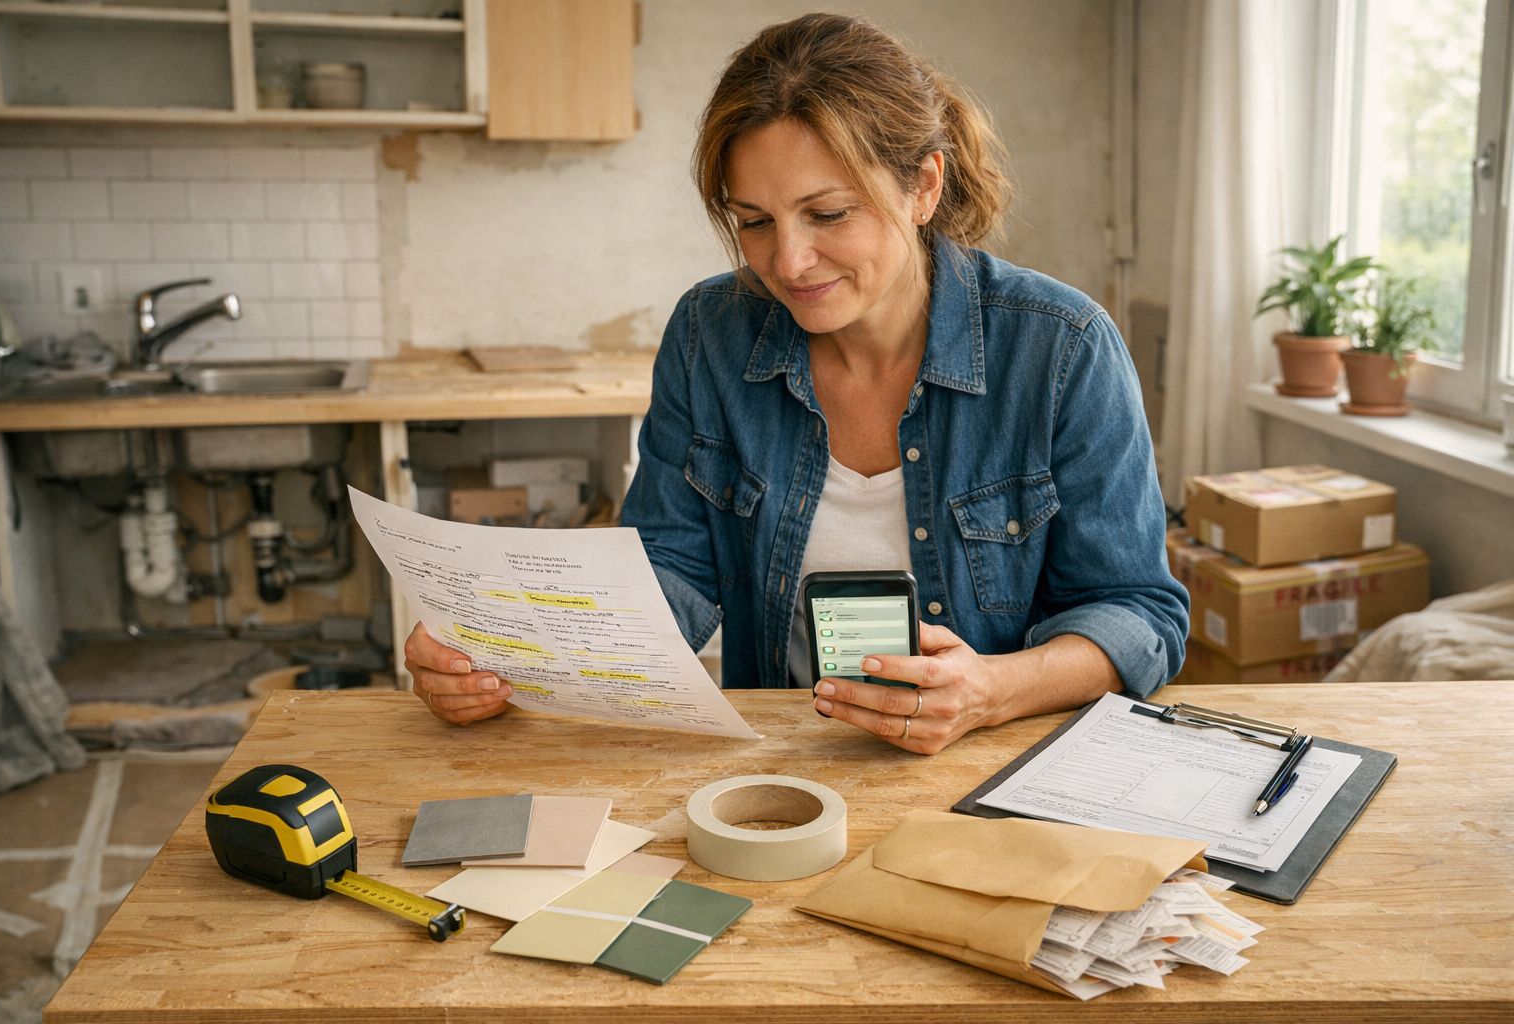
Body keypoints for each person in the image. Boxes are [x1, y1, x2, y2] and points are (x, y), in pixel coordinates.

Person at [404, 12, 1189, 753]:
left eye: (828, 213)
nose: (787, 262)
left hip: (993, 769)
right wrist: (505, 646)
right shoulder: (709, 334)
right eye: (754, 221)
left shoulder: (1062, 348)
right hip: (779, 765)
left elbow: (1139, 613)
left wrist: (990, 689)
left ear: (923, 186)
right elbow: (672, 568)